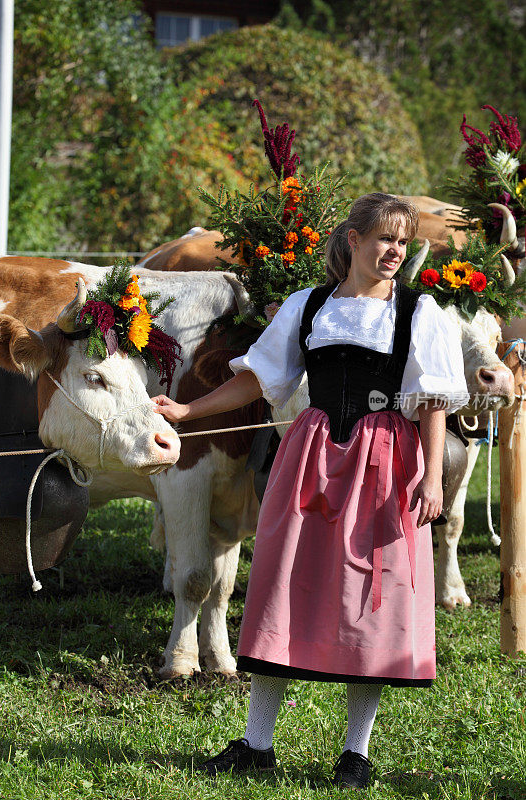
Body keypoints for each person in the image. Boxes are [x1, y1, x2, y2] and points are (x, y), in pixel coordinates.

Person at [152, 193, 469, 789]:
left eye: (403, 242)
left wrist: (431, 474)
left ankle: (356, 752)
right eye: (383, 239)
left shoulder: (419, 313)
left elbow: (431, 400)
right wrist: (189, 408)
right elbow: (257, 379)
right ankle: (256, 743)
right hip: (313, 457)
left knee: (371, 603)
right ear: (353, 240)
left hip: (384, 463)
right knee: (281, 588)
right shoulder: (309, 306)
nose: (394, 252)